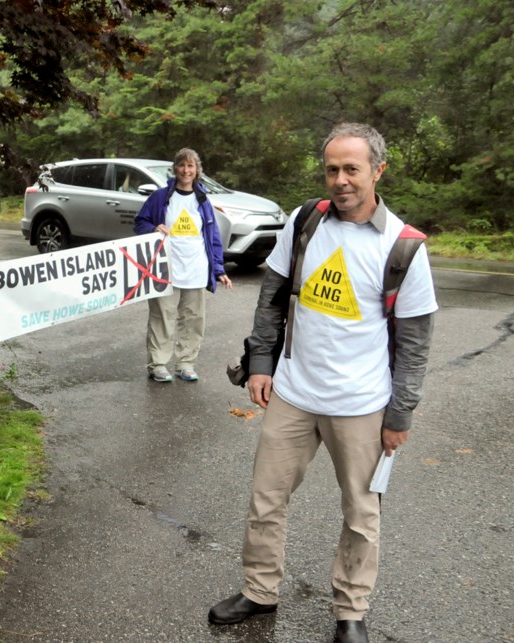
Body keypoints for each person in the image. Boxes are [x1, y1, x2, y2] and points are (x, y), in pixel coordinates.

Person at [208, 123, 438, 643]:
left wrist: (400, 415)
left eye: (352, 169)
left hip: (362, 405)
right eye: (332, 169)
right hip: (293, 392)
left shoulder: (403, 248)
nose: (341, 180)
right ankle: (259, 592)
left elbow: (416, 345)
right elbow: (272, 295)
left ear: (378, 170)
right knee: (266, 498)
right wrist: (261, 362)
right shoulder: (304, 220)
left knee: (361, 513)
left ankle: (350, 612)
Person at [133, 148, 233, 383]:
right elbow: (140, 222)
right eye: (182, 165)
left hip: (196, 271)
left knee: (193, 319)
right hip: (165, 270)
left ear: (197, 170)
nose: (186, 170)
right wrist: (154, 228)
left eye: (191, 166)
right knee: (162, 318)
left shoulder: (203, 200)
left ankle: (186, 363)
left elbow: (212, 237)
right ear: (175, 168)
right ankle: (157, 364)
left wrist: (218, 269)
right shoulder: (160, 197)